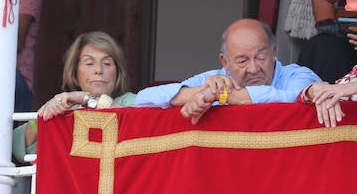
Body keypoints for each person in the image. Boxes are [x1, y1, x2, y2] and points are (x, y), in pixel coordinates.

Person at [134, 18, 320, 124]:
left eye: (261, 58)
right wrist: (203, 93)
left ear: (273, 53)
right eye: (242, 61)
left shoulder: (299, 75)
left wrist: (222, 96)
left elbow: (298, 99)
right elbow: (143, 99)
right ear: (226, 62)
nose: (254, 68)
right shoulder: (216, 80)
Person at [13, 31, 136, 160]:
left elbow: (142, 124)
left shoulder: (130, 101)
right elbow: (18, 147)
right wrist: (42, 120)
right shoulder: (62, 103)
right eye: (89, 63)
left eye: (107, 63)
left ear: (117, 72)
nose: (99, 70)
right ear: (74, 73)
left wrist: (86, 99)